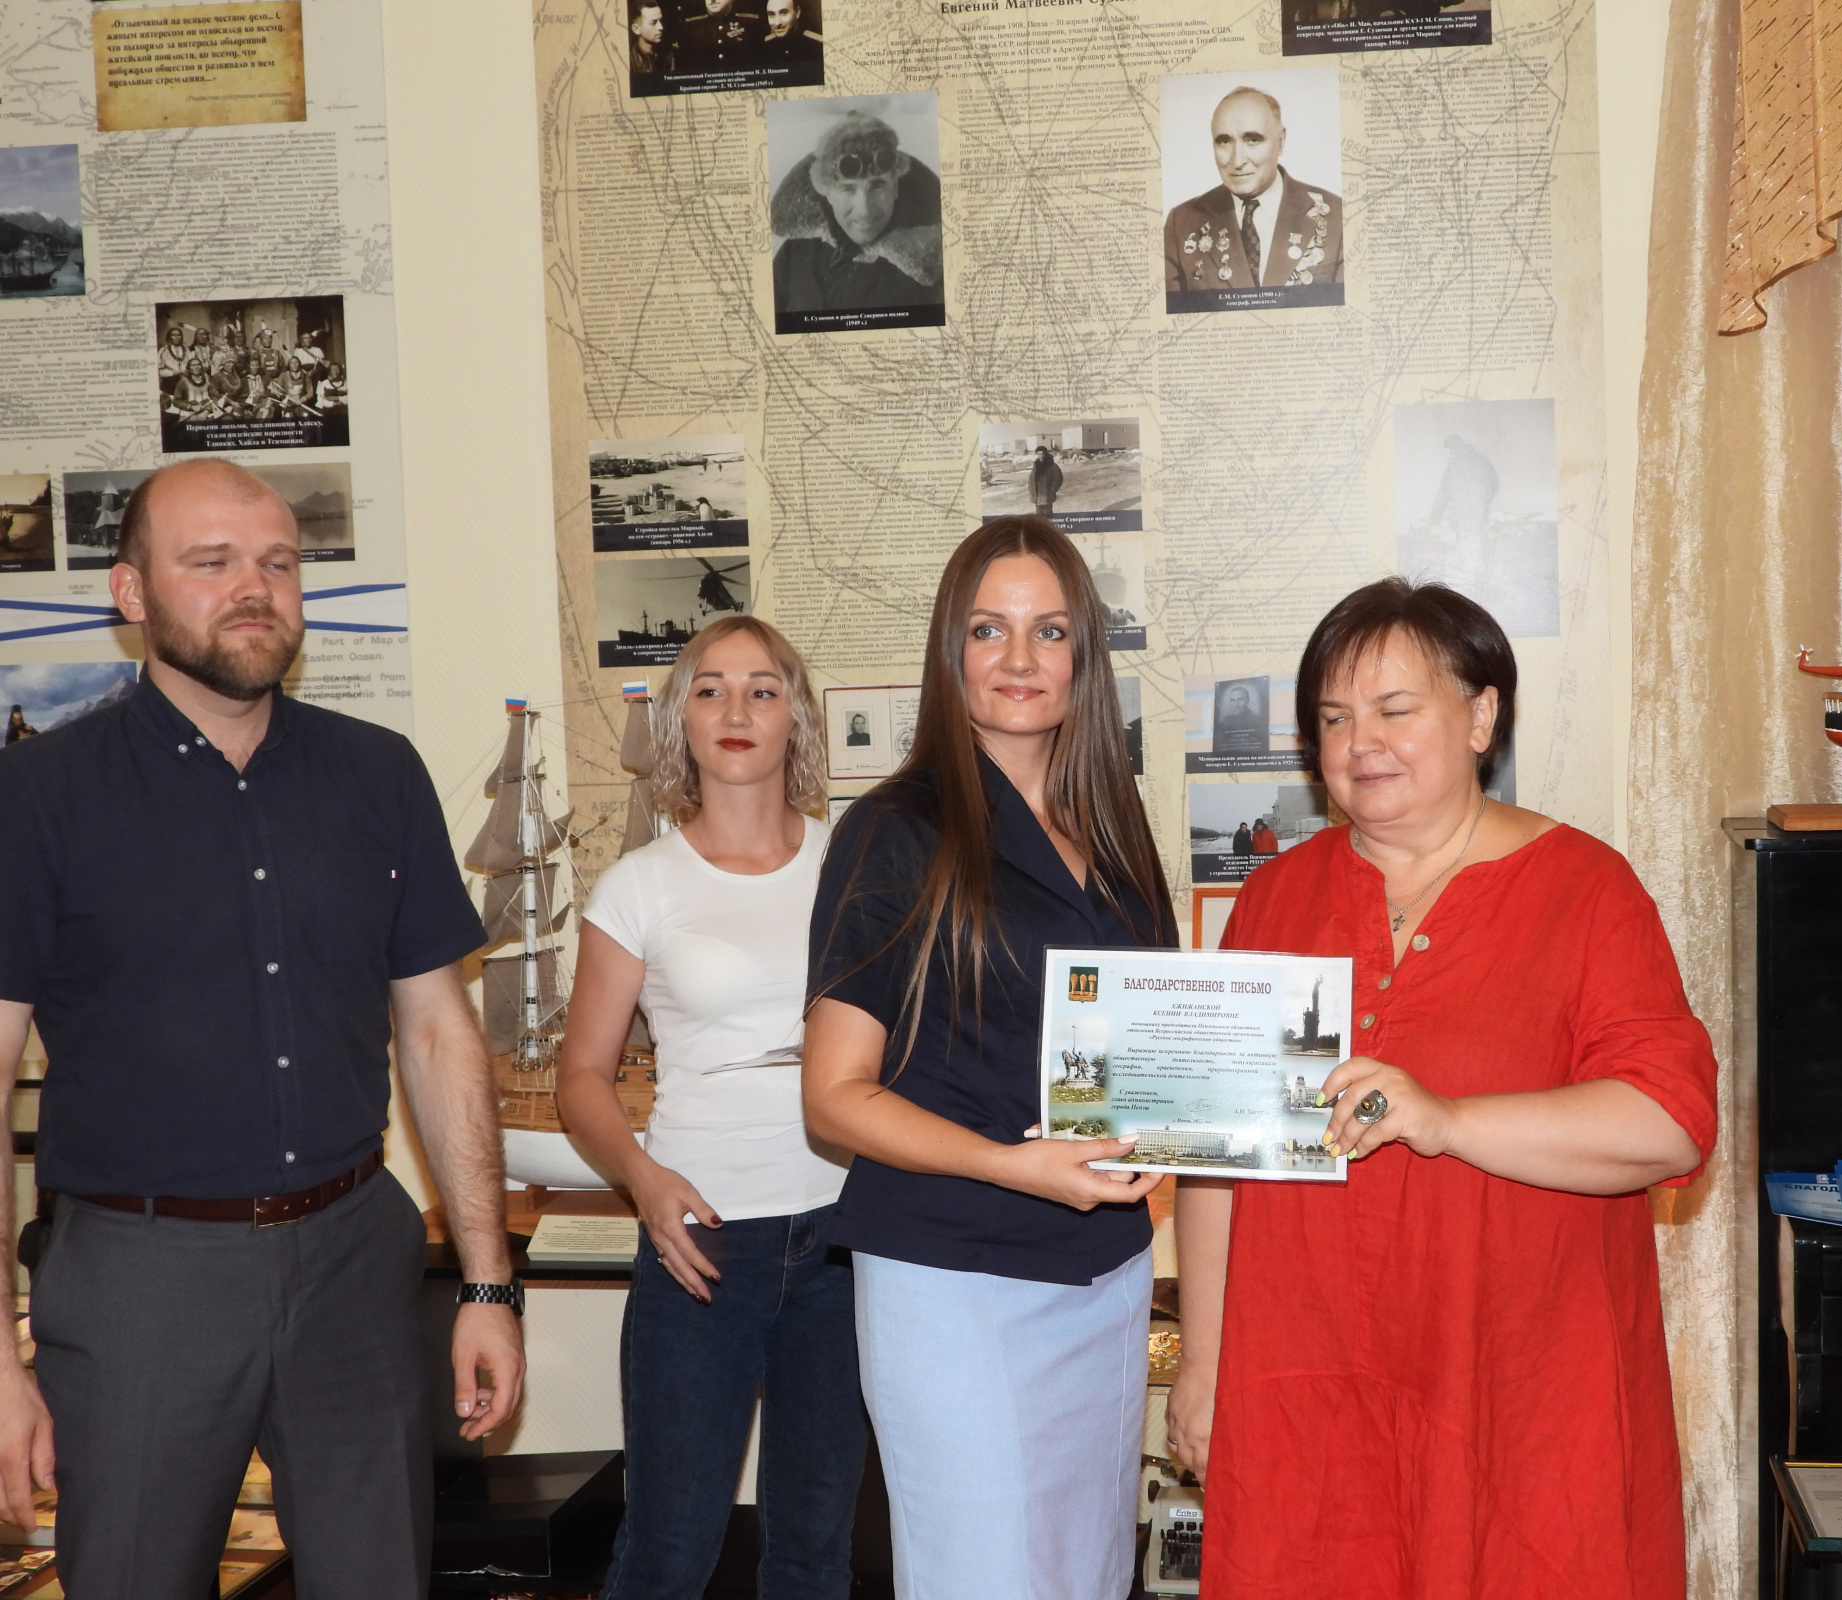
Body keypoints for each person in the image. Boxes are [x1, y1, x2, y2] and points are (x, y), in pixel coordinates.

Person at [0, 459, 525, 1600]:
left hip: (353, 1264)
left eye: (278, 563)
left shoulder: (377, 774)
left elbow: (439, 1034)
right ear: (131, 593)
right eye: (213, 562)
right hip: (141, 1281)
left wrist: (488, 1285)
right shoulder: (39, 796)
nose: (255, 588)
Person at [1168, 578, 1716, 1600]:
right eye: (1334, 718)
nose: (1360, 742)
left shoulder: (1584, 889)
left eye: (1393, 709)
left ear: (1479, 716)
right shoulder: (1277, 896)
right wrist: (1203, 1365)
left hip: (1518, 1391)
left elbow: (1667, 1123)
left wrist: (1448, 1120)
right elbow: (1216, 1154)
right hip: (1306, 1387)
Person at [805, 516, 1174, 1598]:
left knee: (1088, 1574)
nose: (1019, 658)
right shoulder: (894, 830)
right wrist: (1012, 1165)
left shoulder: (1114, 827)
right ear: (950, 651)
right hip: (955, 1282)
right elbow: (834, 1097)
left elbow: (1147, 1045)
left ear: (1083, 655)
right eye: (988, 629)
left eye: (1049, 630)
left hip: (1105, 1274)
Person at [557, 615, 863, 1600]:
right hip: (700, 1244)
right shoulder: (638, 885)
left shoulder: (852, 866)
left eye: (763, 689)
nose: (737, 709)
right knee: (667, 1553)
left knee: (815, 1554)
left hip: (841, 1242)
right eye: (711, 688)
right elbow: (581, 1077)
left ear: (795, 718)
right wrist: (643, 1182)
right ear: (681, 719)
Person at [1163, 87, 1344, 298]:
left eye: (1253, 140)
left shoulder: (1337, 215)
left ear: (1280, 142)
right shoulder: (1181, 223)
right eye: (1224, 141)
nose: (1237, 161)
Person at [772, 111, 944, 319]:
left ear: (895, 188)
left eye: (877, 185)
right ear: (826, 192)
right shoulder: (795, 255)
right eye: (848, 188)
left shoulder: (936, 266)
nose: (864, 209)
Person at [627, 0, 674, 81]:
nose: (661, 27)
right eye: (653, 23)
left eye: (660, 21)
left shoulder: (670, 54)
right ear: (636, 29)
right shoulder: (628, 60)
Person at [1028, 446, 1063, 517]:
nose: (1041, 456)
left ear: (1046, 454)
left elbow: (1058, 478)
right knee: (1039, 516)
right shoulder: (1036, 466)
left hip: (1047, 494)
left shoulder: (1052, 466)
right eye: (1039, 454)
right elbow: (1031, 479)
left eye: (1043, 454)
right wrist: (1031, 490)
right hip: (1037, 495)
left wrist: (1052, 489)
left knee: (1048, 514)